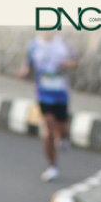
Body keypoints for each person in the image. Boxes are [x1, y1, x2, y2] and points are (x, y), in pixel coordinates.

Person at [18, 30, 79, 181]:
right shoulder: (34, 45)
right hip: (43, 94)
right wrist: (24, 72)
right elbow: (28, 66)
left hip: (61, 93)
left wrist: (68, 64)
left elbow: (76, 62)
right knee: (48, 129)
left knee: (62, 129)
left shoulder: (64, 44)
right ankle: (52, 166)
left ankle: (63, 137)